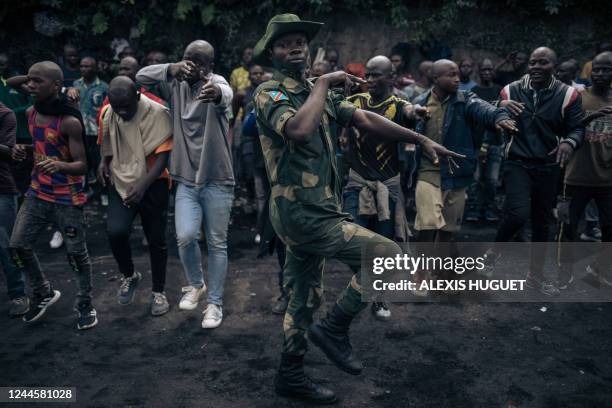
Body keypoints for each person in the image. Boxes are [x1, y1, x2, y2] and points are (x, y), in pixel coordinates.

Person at [251, 14, 464, 403]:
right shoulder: (270, 92)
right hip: (302, 213)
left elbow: (364, 117)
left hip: (321, 209)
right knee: (389, 257)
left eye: (300, 41)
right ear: (273, 54)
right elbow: (298, 130)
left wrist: (421, 139)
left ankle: (290, 374)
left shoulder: (322, 93)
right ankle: (334, 328)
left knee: (303, 298)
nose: (295, 47)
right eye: (284, 44)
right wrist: (321, 85)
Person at [136, 40, 234, 329]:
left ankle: (214, 304)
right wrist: (170, 67)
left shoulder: (215, 84)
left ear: (210, 66)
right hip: (186, 181)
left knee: (217, 243)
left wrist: (216, 92)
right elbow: (140, 77)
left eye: (200, 61)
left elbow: (225, 94)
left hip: (217, 180)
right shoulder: (174, 85)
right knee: (185, 236)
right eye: (188, 59)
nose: (193, 66)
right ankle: (196, 284)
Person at [486, 47, 585, 295]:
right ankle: (493, 253)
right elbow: (483, 109)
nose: (536, 67)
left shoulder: (569, 95)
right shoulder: (511, 90)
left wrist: (568, 142)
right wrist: (500, 104)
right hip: (517, 162)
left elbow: (577, 129)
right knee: (518, 214)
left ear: (555, 65)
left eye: (543, 62)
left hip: (548, 166)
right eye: (533, 62)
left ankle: (535, 276)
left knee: (542, 223)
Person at [7, 61, 97, 330]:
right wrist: (24, 151)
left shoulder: (69, 121)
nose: (30, 86)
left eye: (38, 82)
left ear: (57, 86)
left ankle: (85, 305)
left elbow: (82, 165)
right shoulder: (33, 112)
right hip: (37, 192)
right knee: (17, 248)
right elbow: (10, 83)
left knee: (75, 255)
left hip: (66, 198)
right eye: (30, 81)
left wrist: (59, 165)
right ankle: (43, 292)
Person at [342, 55, 423, 320]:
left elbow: (410, 112)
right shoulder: (354, 103)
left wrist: (417, 113)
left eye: (377, 75)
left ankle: (378, 296)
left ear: (391, 77)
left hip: (387, 187)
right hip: (357, 184)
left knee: (384, 244)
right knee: (353, 238)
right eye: (368, 74)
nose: (371, 80)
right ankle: (361, 286)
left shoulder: (398, 106)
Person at [412, 60, 515, 244]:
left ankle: (439, 270)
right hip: (427, 172)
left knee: (448, 229)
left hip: (456, 173)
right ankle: (422, 270)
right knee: (427, 224)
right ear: (435, 78)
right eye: (451, 75)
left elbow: (484, 108)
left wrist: (499, 115)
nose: (457, 79)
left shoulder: (466, 99)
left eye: (458, 75)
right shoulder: (420, 103)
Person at [98, 76, 173, 315]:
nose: (121, 111)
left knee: (156, 239)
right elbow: (106, 143)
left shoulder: (158, 113)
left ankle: (158, 292)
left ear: (138, 96)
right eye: (116, 106)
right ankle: (130, 275)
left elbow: (163, 157)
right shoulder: (108, 112)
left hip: (153, 182)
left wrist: (142, 186)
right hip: (120, 178)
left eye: (126, 106)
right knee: (116, 231)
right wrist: (103, 162)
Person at [561, 51, 612, 288]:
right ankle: (565, 272)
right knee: (568, 227)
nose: (601, 73)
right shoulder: (578, 97)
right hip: (577, 175)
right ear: (590, 71)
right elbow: (563, 128)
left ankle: (597, 270)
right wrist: (586, 120)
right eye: (597, 69)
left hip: (607, 179)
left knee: (609, 229)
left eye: (606, 69)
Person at [465, 58, 504, 222]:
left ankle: (489, 209)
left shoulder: (499, 91)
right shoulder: (473, 91)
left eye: (490, 69)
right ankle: (473, 210)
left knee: (492, 180)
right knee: (474, 179)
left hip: (495, 142)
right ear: (479, 72)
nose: (487, 73)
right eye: (484, 70)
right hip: (476, 142)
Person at [0, 102, 28, 316]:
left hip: (2, 189)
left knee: (8, 245)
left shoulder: (6, 114)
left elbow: (9, 151)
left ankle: (19, 293)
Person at [73, 56, 108, 196]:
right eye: (82, 66)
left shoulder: (104, 86)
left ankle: (103, 191)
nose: (84, 69)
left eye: (87, 66)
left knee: (99, 160)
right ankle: (85, 190)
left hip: (98, 131)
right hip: (80, 130)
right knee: (83, 161)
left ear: (94, 68)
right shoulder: (76, 84)